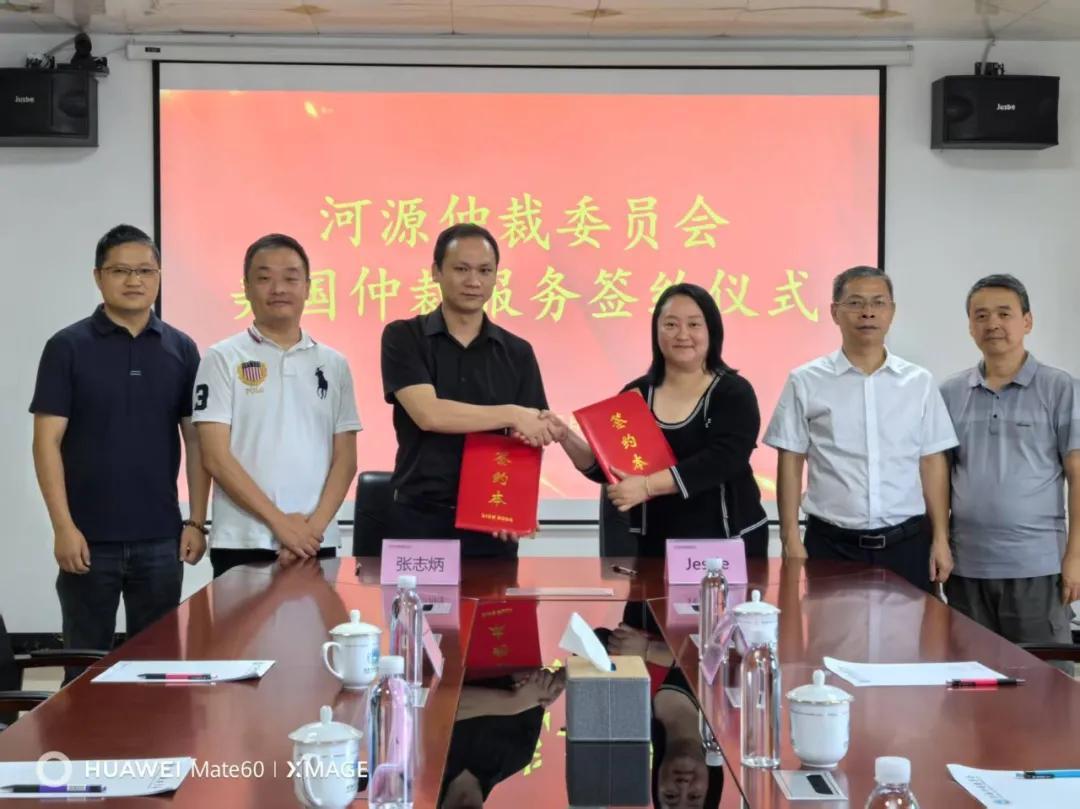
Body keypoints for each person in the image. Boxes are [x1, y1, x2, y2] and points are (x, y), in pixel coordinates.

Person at [30, 224, 209, 679]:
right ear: (98, 276)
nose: (134, 280)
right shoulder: (67, 347)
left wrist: (195, 520)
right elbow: (46, 442)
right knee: (83, 671)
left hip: (161, 539)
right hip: (87, 540)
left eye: (145, 271)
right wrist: (63, 528)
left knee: (157, 671)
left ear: (159, 277)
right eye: (121, 270)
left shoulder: (181, 348)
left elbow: (196, 440)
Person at [763, 266, 958, 593]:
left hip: (907, 546)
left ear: (891, 311)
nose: (867, 312)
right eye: (855, 303)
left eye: (878, 303)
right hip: (832, 545)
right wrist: (790, 538)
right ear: (834, 312)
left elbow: (932, 462)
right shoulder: (806, 381)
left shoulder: (919, 382)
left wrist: (940, 538)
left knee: (912, 628)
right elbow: (791, 461)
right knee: (830, 628)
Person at [550, 283, 769, 558]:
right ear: (656, 332)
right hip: (656, 544)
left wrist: (647, 486)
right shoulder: (636, 394)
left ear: (712, 331)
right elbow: (610, 469)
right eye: (671, 325)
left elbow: (724, 459)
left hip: (725, 542)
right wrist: (565, 437)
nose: (683, 335)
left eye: (694, 324)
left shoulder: (733, 392)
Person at [380, 223, 555, 558]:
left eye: (485, 271)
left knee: (497, 594)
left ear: (496, 277)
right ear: (436, 272)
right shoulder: (404, 337)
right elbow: (429, 415)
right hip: (418, 518)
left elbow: (527, 438)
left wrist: (517, 503)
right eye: (461, 269)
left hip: (492, 522)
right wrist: (512, 413)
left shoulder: (518, 352)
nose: (474, 281)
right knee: (413, 598)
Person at [193, 233, 360, 578]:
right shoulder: (222, 357)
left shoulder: (334, 364)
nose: (278, 288)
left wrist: (311, 530)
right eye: (265, 278)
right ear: (246, 287)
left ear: (308, 287)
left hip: (317, 541)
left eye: (290, 278)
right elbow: (215, 457)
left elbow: (345, 460)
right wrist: (281, 524)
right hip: (242, 541)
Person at [939, 274, 1080, 644]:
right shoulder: (950, 392)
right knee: (968, 676)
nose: (993, 324)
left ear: (1027, 321)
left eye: (1004, 313)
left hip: (1037, 567)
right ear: (970, 326)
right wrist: (938, 542)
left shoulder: (1060, 388)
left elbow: (1077, 476)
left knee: (1044, 678)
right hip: (966, 568)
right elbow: (938, 475)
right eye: (981, 315)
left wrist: (1075, 557)